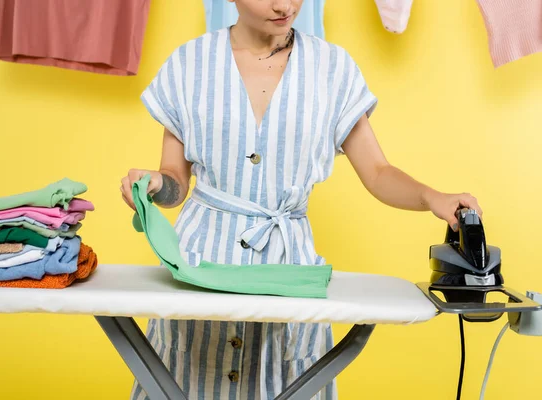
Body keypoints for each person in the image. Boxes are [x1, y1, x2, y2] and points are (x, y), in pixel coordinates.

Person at [120, 1, 483, 399]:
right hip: (200, 266)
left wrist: (433, 197)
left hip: (288, 266)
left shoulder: (333, 68)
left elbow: (378, 172)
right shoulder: (189, 64)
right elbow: (175, 182)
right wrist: (156, 183)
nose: (285, 5)